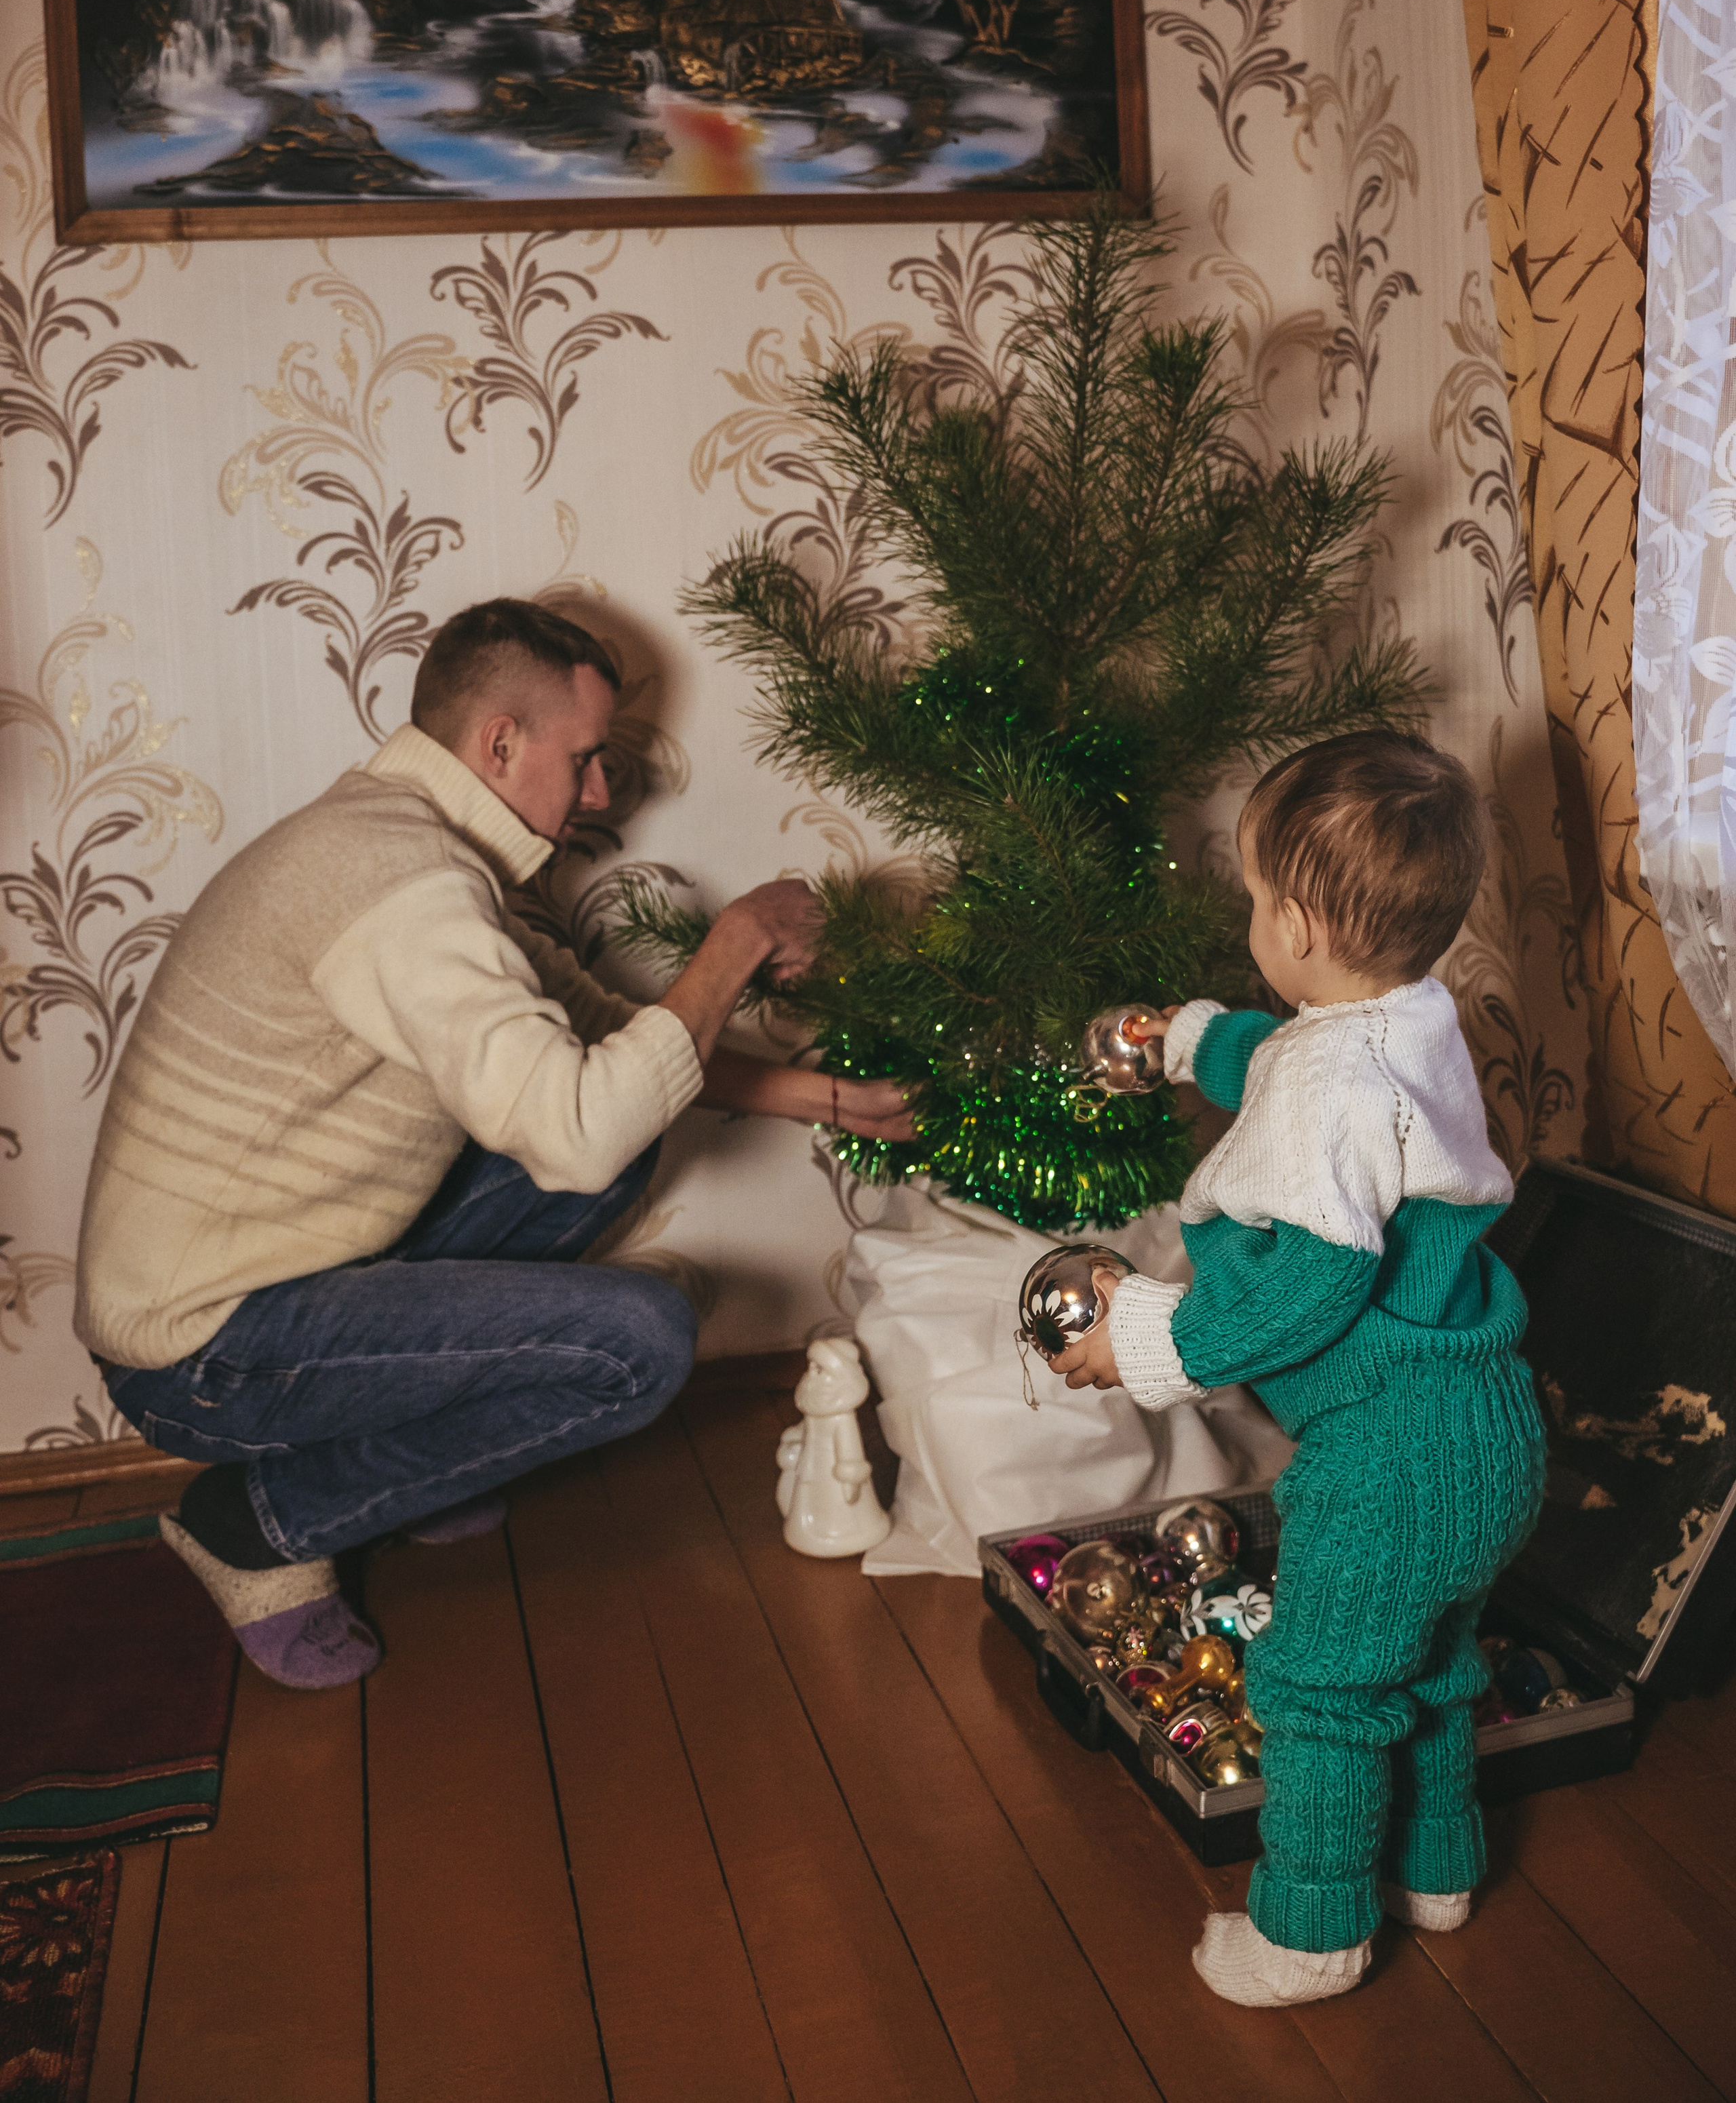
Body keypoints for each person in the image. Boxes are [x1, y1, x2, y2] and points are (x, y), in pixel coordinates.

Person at [75, 598, 913, 1690]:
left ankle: (402, 1454)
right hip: (199, 1350)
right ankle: (254, 1523)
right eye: (587, 759)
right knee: (641, 1341)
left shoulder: (407, 848)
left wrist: (840, 1101)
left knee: (627, 1133)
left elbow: (611, 1047)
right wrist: (740, 937)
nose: (603, 792)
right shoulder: (405, 886)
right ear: (499, 743)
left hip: (291, 1271)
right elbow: (577, 1131)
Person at [1046, 730, 1543, 2009]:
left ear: (1307, 922)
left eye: (1263, 900)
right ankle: (1440, 1867)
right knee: (1431, 1667)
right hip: (1488, 1428)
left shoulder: (1330, 1085)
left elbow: (1310, 1285)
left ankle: (1312, 1931)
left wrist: (1149, 1339)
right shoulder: (1409, 1014)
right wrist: (1183, 1042)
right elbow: (1286, 1052)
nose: (1254, 918)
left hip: (1385, 1454)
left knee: (1320, 1688)